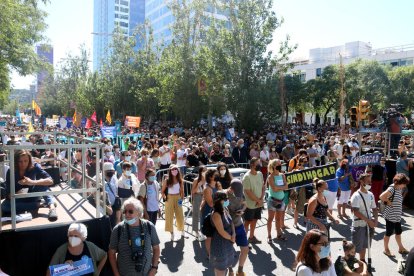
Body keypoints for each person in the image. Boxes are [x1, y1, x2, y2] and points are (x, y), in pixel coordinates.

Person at [0, 149, 58, 221]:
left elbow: (50, 181)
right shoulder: (11, 171)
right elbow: (7, 194)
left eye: (25, 161)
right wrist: (16, 194)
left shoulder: (35, 166)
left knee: (42, 183)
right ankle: (40, 205)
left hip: (32, 195)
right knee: (4, 207)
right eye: (20, 161)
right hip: (18, 198)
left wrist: (32, 182)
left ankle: (52, 207)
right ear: (16, 162)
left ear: (29, 160)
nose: (23, 164)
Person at [108, 198, 160, 276]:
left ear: (139, 213)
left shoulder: (149, 226)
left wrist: (154, 268)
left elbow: (156, 248)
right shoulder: (118, 229)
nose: (127, 214)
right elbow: (111, 253)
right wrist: (116, 274)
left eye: (130, 211)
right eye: (125, 211)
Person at [380, 173, 410, 257]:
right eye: (404, 184)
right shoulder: (392, 188)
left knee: (398, 231)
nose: (404, 186)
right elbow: (381, 196)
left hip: (396, 215)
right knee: (389, 232)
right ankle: (386, 249)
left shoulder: (399, 188)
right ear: (400, 182)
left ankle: (401, 248)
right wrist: (389, 202)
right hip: (390, 215)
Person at [350, 173, 378, 262]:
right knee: (356, 246)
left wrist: (376, 220)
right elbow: (356, 212)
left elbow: (374, 208)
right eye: (368, 181)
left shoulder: (370, 194)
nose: (370, 183)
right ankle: (350, 263)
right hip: (359, 225)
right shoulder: (356, 196)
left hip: (368, 225)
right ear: (361, 182)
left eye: (371, 181)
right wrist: (368, 221)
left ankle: (362, 261)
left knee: (365, 245)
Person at [210, 191, 237, 276]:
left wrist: (234, 234)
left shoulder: (225, 209)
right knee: (220, 270)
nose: (227, 200)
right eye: (225, 199)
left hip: (228, 243)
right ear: (219, 201)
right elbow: (221, 231)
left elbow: (231, 221)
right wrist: (231, 238)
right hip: (220, 245)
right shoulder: (216, 215)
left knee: (227, 264)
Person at [226, 179, 249, 276]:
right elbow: (225, 214)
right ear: (231, 189)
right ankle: (230, 270)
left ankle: (240, 270)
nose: (238, 194)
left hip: (239, 225)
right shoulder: (225, 197)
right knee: (229, 251)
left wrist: (242, 210)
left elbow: (245, 204)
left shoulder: (240, 194)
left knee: (245, 249)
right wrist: (233, 232)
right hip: (229, 228)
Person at [243, 157, 265, 244]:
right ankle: (243, 241)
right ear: (252, 165)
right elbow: (248, 192)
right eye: (258, 163)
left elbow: (263, 186)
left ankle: (251, 237)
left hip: (258, 203)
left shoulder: (260, 174)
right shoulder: (247, 177)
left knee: (255, 220)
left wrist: (261, 198)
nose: (260, 165)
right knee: (247, 222)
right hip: (250, 204)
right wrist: (258, 200)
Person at [266, 158, 289, 242]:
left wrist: (279, 187)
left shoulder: (282, 175)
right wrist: (281, 187)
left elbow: (286, 187)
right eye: (279, 164)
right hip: (272, 201)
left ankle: (279, 234)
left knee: (278, 219)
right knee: (270, 219)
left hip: (281, 200)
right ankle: (269, 236)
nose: (281, 166)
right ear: (274, 166)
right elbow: (274, 189)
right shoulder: (270, 176)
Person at [161, 165, 185, 241]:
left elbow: (182, 191)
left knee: (180, 214)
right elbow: (162, 191)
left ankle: (182, 230)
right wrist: (165, 198)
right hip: (169, 198)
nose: (174, 171)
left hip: (178, 198)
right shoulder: (167, 180)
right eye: (173, 170)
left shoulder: (180, 180)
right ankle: (172, 234)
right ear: (170, 171)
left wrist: (181, 198)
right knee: (169, 215)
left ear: (178, 171)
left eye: (176, 169)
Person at [201, 168, 220, 258]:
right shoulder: (207, 189)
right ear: (210, 177)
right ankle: (209, 255)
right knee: (210, 236)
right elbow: (211, 203)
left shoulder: (218, 185)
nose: (217, 175)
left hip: (217, 212)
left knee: (217, 234)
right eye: (215, 174)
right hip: (209, 214)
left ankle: (217, 252)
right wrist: (221, 200)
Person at [191, 166, 207, 241]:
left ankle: (204, 231)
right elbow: (193, 192)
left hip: (206, 197)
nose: (205, 172)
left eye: (205, 170)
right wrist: (198, 185)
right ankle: (196, 232)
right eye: (203, 170)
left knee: (205, 214)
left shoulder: (208, 180)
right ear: (200, 172)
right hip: (198, 197)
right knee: (196, 214)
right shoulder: (196, 180)